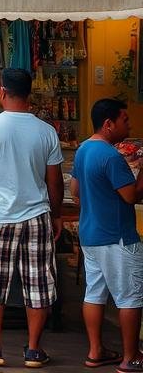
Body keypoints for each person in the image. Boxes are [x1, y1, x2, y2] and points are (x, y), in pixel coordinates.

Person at [0, 68, 63, 368]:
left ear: (2, 92)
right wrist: (57, 214)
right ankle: (33, 350)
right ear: (29, 95)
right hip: (37, 217)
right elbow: (55, 181)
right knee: (38, 283)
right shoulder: (46, 131)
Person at [71, 98, 143, 373]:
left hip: (90, 234)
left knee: (94, 293)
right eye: (125, 119)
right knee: (130, 297)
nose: (130, 124)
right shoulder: (111, 157)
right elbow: (130, 196)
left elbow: (76, 191)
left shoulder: (84, 150)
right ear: (108, 124)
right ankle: (130, 356)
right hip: (118, 237)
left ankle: (95, 350)